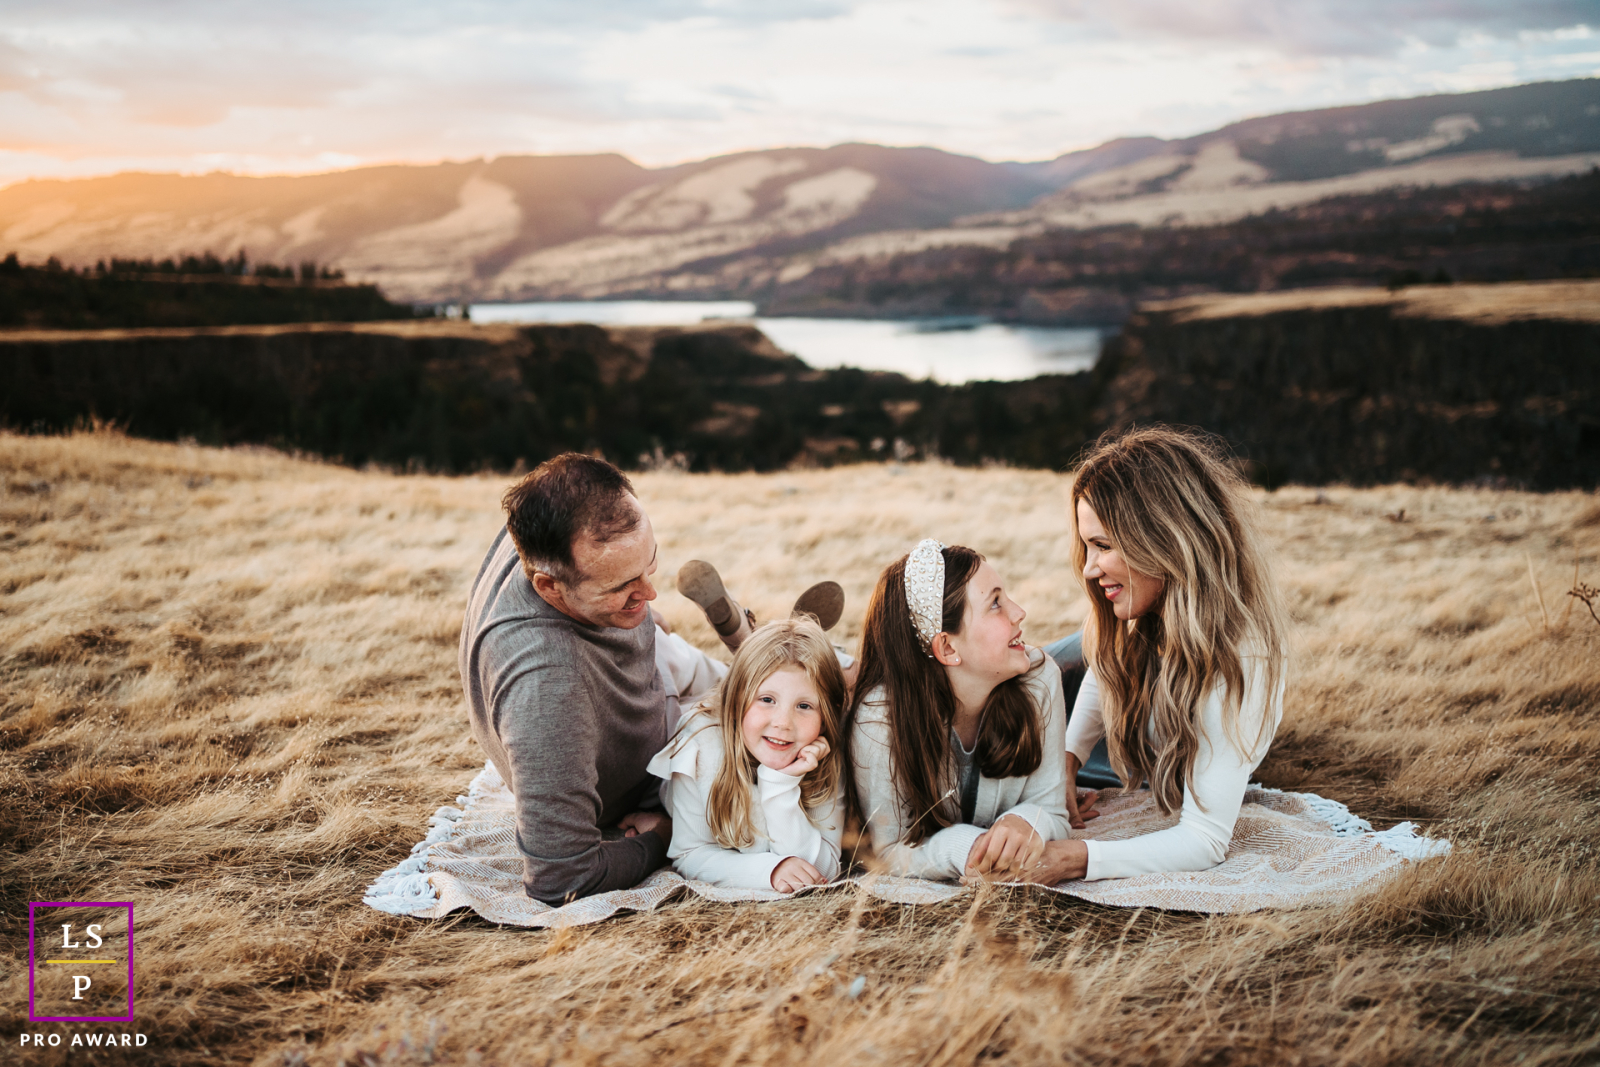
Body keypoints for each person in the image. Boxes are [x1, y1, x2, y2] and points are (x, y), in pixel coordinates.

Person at [459, 453, 732, 904]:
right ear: (549, 587)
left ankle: (789, 660)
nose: (649, 592)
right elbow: (561, 879)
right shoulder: (547, 690)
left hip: (648, 675)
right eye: (621, 586)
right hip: (654, 762)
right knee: (778, 740)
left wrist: (632, 606)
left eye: (650, 565)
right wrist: (664, 838)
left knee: (758, 685)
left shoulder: (548, 521)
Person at [1051, 426, 1291, 882]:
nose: (1087, 567)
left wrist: (1072, 859)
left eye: (1103, 545)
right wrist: (1066, 757)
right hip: (1105, 705)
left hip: (1138, 746)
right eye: (1087, 545)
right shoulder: (1141, 613)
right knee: (987, 676)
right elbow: (1104, 670)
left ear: (1165, 539)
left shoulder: (1242, 660)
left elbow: (1204, 840)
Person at [846, 540, 1074, 882]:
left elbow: (1054, 809)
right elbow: (887, 851)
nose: (1018, 611)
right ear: (948, 647)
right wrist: (965, 848)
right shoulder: (879, 721)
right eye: (995, 603)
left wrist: (1027, 821)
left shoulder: (1039, 680)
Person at [648, 617, 846, 893]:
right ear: (736, 700)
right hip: (661, 758)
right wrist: (770, 870)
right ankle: (732, 623)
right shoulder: (701, 746)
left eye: (804, 705)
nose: (783, 723)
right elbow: (689, 854)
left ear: (826, 718)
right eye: (767, 700)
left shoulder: (821, 753)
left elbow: (822, 870)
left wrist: (781, 784)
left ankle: (841, 659)